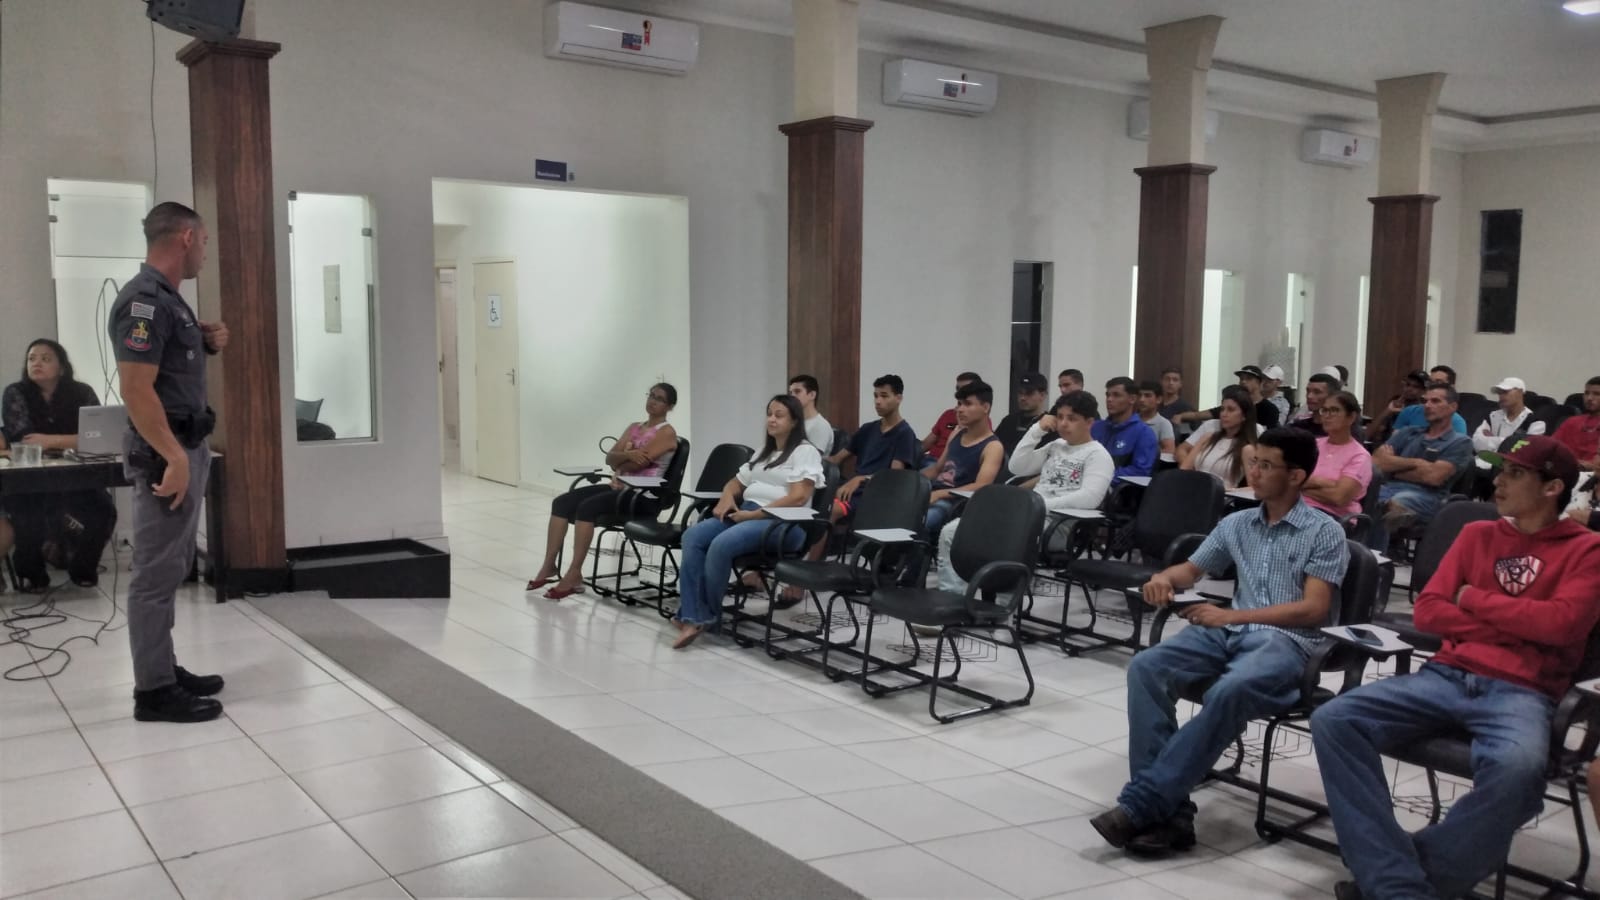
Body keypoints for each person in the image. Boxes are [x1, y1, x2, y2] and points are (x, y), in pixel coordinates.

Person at [1311, 436, 1600, 900]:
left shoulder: (1587, 550)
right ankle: (1400, 885)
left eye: (1515, 473)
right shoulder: (1477, 534)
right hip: (1446, 673)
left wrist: (1472, 599)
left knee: (1518, 773)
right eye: (1499, 469)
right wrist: (1518, 620)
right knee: (1334, 719)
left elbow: (1562, 625)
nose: (1498, 481)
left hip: (1523, 691)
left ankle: (1391, 882)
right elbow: (1428, 612)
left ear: (1553, 488)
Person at [1091, 427, 1348, 857]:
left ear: (1297, 475)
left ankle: (1144, 804)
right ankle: (1170, 814)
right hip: (1229, 633)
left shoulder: (1324, 532)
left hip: (1286, 643)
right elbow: (1189, 571)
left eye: (1267, 465)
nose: (1255, 472)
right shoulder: (1238, 522)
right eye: (1254, 462)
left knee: (1231, 688)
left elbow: (1313, 610)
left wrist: (1232, 614)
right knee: (1147, 668)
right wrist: (1161, 579)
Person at [108, 201, 229, 723]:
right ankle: (153, 693)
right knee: (156, 575)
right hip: (167, 454)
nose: (205, 251)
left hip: (185, 446)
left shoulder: (170, 303)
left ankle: (163, 666)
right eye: (203, 241)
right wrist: (175, 457)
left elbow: (168, 369)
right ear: (184, 237)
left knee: (173, 566)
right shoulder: (143, 303)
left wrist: (207, 340)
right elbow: (136, 391)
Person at [671, 394, 823, 649]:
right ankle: (695, 614)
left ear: (795, 421)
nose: (772, 419)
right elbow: (735, 482)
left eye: (779, 415)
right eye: (770, 413)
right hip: (748, 514)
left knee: (721, 544)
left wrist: (754, 515)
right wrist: (727, 498)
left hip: (783, 524)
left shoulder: (805, 451)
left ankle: (702, 616)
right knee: (693, 536)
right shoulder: (766, 452)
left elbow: (798, 497)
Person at [937, 391, 1112, 592]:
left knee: (1003, 540)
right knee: (951, 531)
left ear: (1089, 422)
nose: (1063, 424)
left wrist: (1036, 507)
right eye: (1060, 417)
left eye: (1072, 419)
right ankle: (953, 596)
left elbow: (1089, 498)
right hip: (1028, 515)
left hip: (1059, 525)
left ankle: (1001, 610)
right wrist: (1036, 430)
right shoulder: (1057, 446)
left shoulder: (1098, 455)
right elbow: (1017, 466)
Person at [526, 383, 679, 599]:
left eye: (660, 399)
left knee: (587, 508)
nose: (652, 401)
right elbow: (610, 458)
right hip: (619, 488)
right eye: (651, 395)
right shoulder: (634, 427)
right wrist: (627, 456)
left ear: (670, 406)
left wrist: (623, 458)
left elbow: (637, 465)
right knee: (561, 502)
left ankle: (574, 573)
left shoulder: (667, 432)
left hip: (641, 497)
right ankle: (549, 565)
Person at [0, 339, 119, 589]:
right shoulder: (15, 393)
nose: (37, 364)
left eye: (45, 358)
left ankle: (83, 568)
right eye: (32, 358)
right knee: (27, 513)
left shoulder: (82, 392)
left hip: (77, 475)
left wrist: (52, 440)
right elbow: (26, 438)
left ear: (62, 367)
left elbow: (97, 434)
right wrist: (72, 441)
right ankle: (31, 571)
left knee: (104, 510)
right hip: (28, 478)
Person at [1370, 382, 1475, 553]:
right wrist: (1417, 463)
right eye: (1425, 401)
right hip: (1389, 488)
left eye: (1435, 401)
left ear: (1452, 407)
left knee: (1394, 503)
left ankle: (1375, 559)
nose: (1427, 405)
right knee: (1362, 496)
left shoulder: (1460, 442)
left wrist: (1394, 467)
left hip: (1428, 498)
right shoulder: (1409, 432)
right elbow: (1375, 462)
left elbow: (1433, 477)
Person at [1301, 391, 1372, 520]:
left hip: (1334, 518)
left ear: (1351, 417)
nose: (1327, 416)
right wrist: (1322, 482)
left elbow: (1339, 497)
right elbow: (1289, 479)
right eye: (1325, 410)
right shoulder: (1313, 444)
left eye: (1334, 410)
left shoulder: (1360, 456)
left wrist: (1301, 488)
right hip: (1300, 508)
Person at [1177, 387, 1258, 488]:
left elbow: (1254, 488)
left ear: (1244, 416)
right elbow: (1184, 469)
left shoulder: (1247, 449)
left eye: (1231, 410)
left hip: (1224, 498)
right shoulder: (1208, 437)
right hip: (1195, 492)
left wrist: (1229, 492)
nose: (1224, 414)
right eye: (1222, 409)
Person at [1092, 377, 1158, 481]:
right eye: (1108, 395)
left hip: (1117, 491)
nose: (1109, 399)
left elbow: (1140, 471)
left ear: (1132, 399)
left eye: (1116, 395)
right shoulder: (1096, 427)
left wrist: (1101, 477)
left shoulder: (1144, 433)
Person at [1174, 366, 1281, 429]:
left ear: (1259, 382)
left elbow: (1269, 438)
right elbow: (1198, 415)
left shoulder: (1270, 409)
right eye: (1241, 379)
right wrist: (1180, 416)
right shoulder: (1232, 406)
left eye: (1248, 379)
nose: (1243, 382)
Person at [921, 372, 989, 467]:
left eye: (966, 388)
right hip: (928, 459)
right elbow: (926, 443)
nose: (960, 392)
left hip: (946, 465)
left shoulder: (981, 420)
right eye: (958, 389)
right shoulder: (948, 414)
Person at [1382, 370, 1468, 438]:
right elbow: (1387, 450)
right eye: (1430, 382)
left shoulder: (1457, 422)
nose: (1432, 385)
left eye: (1438, 382)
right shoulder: (1409, 413)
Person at [1471, 376, 1544, 454]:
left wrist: (1493, 439)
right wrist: (1512, 441)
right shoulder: (1492, 416)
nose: (1501, 396)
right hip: (1484, 462)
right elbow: (1477, 443)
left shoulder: (1536, 423)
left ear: (1520, 392)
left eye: (1505, 392)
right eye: (1499, 393)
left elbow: (1525, 452)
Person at [994, 373, 1054, 458]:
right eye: (1020, 393)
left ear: (1042, 395)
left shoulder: (1049, 424)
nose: (1022, 398)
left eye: (1029, 393)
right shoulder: (1009, 421)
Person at [1550, 376, 1600, 472]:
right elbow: (1552, 447)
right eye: (1586, 393)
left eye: (1597, 394)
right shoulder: (1572, 421)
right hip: (1565, 471)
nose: (1589, 398)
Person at [787, 374, 834, 453]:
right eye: (791, 393)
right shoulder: (793, 422)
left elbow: (811, 457)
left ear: (812, 395)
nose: (792, 396)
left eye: (797, 391)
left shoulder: (820, 425)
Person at [1287, 372, 1342, 437]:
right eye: (1308, 391)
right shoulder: (1297, 428)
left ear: (1332, 396)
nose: (1309, 396)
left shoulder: (1342, 431)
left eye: (1317, 392)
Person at [1134, 380, 1177, 457]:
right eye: (1140, 395)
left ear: (1159, 399)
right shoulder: (1130, 420)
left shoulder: (1163, 423)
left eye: (1147, 396)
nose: (1141, 400)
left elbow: (1169, 451)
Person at [1159, 367, 1195, 440]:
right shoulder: (1154, 404)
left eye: (1175, 380)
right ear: (1161, 381)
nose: (1170, 383)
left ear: (1180, 384)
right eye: (1167, 379)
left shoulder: (1185, 408)